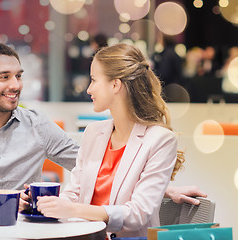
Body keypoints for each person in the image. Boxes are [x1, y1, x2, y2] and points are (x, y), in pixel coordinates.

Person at [0, 42, 206, 225]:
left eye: (18, 76)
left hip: (25, 232)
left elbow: (93, 166)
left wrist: (161, 188)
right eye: (4, 77)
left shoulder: (37, 124)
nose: (16, 85)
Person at [34, 43, 189, 238]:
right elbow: (74, 193)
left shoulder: (160, 140)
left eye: (93, 80)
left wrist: (73, 210)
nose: (89, 89)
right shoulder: (93, 133)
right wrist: (48, 205)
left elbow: (137, 214)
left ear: (115, 85)